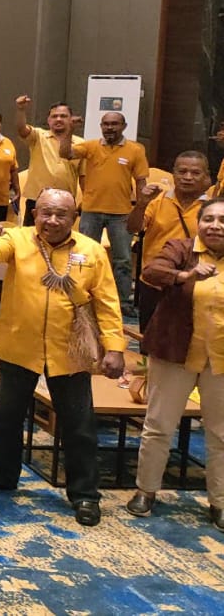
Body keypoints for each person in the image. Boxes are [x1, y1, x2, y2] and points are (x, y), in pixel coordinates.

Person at [0, 189, 128, 526]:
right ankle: (1, 474)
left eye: (61, 214)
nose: (52, 220)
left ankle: (84, 494)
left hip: (69, 351)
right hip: (19, 346)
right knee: (5, 417)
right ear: (35, 214)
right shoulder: (18, 238)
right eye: (45, 213)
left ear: (74, 218)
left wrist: (114, 348)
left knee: (79, 425)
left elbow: (107, 302)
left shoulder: (92, 251)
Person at [129, 198, 224, 527]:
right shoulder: (181, 248)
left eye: (222, 220)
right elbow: (151, 271)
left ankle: (220, 502)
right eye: (209, 219)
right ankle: (145, 490)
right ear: (199, 223)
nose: (215, 226)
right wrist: (185, 274)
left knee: (221, 433)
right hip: (175, 353)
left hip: (220, 360)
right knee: (159, 426)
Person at [60, 112, 148, 322]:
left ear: (124, 126)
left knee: (122, 260)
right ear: (101, 126)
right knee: (83, 256)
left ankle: (122, 303)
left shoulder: (136, 150)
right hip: (91, 211)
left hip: (121, 214)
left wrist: (142, 208)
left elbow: (141, 182)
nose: (110, 127)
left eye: (114, 124)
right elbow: (65, 153)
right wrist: (70, 129)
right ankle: (81, 298)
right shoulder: (91, 146)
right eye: (106, 124)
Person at [129, 151, 211, 329]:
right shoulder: (157, 201)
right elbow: (133, 228)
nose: (187, 177)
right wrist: (141, 204)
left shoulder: (213, 209)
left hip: (195, 285)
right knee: (149, 338)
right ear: (173, 174)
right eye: (182, 171)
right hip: (154, 281)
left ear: (206, 177)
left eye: (195, 173)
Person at [14, 96, 81, 226]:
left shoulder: (81, 144)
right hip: (37, 199)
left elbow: (84, 176)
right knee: (31, 235)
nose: (58, 119)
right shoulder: (38, 136)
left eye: (63, 116)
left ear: (71, 119)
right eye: (54, 116)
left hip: (65, 201)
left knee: (61, 235)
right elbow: (22, 130)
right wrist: (21, 110)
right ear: (48, 120)